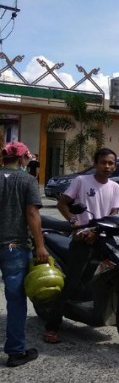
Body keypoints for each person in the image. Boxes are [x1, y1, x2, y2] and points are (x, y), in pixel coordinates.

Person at [43, 147, 119, 343]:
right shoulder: (81, 181)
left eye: (111, 163)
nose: (107, 166)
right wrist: (74, 222)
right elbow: (62, 203)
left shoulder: (114, 187)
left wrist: (103, 229)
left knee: (109, 275)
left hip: (103, 239)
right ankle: (52, 327)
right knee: (72, 283)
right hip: (82, 240)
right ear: (95, 164)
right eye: (103, 162)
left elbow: (114, 212)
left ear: (115, 166)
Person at [0, 141, 49, 367]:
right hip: (15, 248)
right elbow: (32, 214)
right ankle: (16, 352)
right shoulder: (27, 180)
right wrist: (40, 246)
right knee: (16, 300)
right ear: (22, 160)